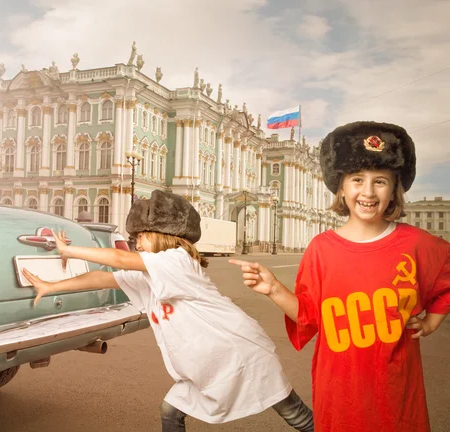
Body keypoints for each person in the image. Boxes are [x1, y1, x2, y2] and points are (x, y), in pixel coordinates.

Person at [23, 189, 314, 432]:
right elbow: (103, 277)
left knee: (294, 413)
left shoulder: (176, 261)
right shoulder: (151, 272)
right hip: (205, 367)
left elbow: (119, 259)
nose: (136, 243)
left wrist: (70, 251)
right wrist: (51, 286)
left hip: (240, 355)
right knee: (171, 411)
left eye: (141, 237)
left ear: (162, 235)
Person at [231, 121, 450, 432]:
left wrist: (432, 321)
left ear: (395, 188)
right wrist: (274, 289)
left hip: (397, 397)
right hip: (339, 395)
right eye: (357, 179)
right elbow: (310, 316)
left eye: (381, 181)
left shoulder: (417, 244)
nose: (368, 192)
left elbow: (446, 278)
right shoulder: (322, 249)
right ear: (341, 187)